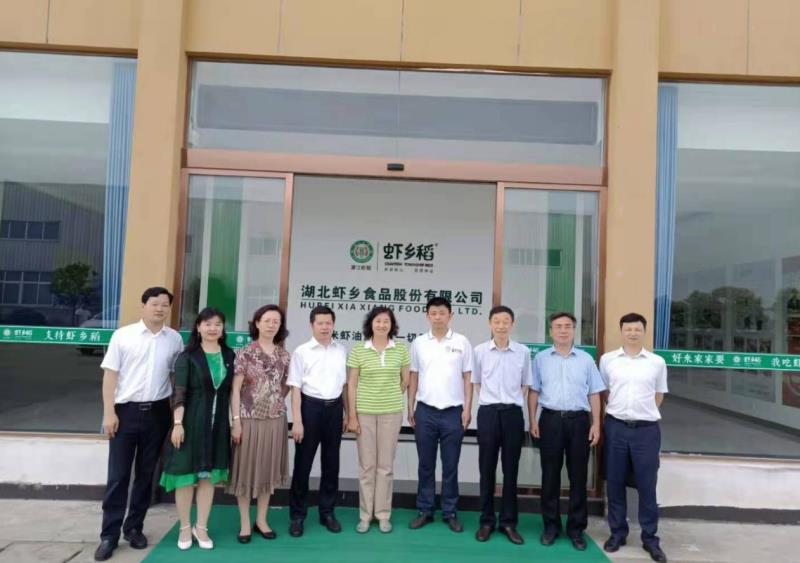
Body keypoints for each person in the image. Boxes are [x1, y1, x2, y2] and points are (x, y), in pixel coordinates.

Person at [94, 287, 183, 562]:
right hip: (125, 412)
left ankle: (134, 528)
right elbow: (110, 376)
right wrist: (109, 413)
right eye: (154, 303)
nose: (160, 309)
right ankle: (109, 535)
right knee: (118, 475)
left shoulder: (174, 339)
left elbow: (175, 379)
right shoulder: (123, 336)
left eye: (165, 305)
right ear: (143, 305)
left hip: (158, 413)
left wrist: (175, 417)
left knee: (146, 475)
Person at [159, 307, 235, 551]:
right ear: (199, 327)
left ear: (223, 329)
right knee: (184, 477)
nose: (213, 328)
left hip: (217, 427)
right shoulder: (188, 357)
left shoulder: (229, 355)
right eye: (208, 324)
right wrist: (177, 424)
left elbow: (231, 392)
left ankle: (201, 527)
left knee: (208, 479)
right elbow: (179, 392)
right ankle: (184, 527)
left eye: (218, 324)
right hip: (191, 425)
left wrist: (235, 421)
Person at [528, 311, 605, 551]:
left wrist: (596, 424)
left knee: (578, 476)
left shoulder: (586, 360)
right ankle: (550, 527)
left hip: (579, 422)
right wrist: (532, 420)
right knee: (550, 476)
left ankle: (576, 529)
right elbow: (534, 391)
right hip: (550, 420)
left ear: (574, 330)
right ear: (550, 331)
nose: (563, 330)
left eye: (567, 326)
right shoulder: (541, 359)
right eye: (558, 326)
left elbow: (595, 392)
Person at [600, 313, 668, 563]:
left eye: (637, 329)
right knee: (615, 482)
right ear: (621, 331)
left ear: (644, 331)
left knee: (647, 485)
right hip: (616, 427)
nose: (632, 333)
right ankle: (618, 533)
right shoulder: (608, 360)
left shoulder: (656, 362)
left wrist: (642, 414)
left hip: (646, 430)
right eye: (628, 329)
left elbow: (659, 394)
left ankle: (650, 538)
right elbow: (604, 391)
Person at [407, 297, 473, 533]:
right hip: (425, 411)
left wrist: (467, 408)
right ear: (427, 316)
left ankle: (450, 511)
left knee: (450, 465)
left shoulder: (462, 342)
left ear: (450, 315)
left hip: (453, 412)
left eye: (442, 313)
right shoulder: (419, 343)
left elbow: (468, 377)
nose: (437, 317)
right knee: (425, 464)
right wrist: (410, 406)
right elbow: (414, 375)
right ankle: (425, 509)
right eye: (433, 313)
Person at [227, 304, 291, 543]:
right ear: (257, 323)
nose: (271, 325)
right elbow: (235, 390)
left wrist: (274, 402)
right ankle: (245, 522)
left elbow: (285, 386)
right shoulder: (245, 352)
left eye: (276, 321)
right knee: (245, 470)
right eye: (267, 320)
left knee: (267, 470)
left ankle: (262, 520)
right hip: (248, 420)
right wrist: (236, 421)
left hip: (275, 420)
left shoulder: (284, 355)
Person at [346, 306, 410, 534]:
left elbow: (405, 380)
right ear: (370, 324)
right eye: (378, 321)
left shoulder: (400, 349)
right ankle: (365, 515)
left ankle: (383, 514)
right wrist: (352, 415)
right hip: (364, 413)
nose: (382, 325)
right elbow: (352, 384)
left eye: (386, 321)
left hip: (391, 413)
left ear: (392, 325)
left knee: (385, 466)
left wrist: (388, 396)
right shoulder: (358, 350)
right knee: (367, 466)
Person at [287, 305, 348, 537]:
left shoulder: (341, 350)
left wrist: (347, 414)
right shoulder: (302, 352)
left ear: (333, 324)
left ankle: (327, 512)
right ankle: (297, 516)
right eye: (320, 323)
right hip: (309, 409)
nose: (325, 327)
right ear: (312, 325)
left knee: (331, 464)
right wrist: (297, 421)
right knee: (303, 465)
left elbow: (344, 386)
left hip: (335, 409)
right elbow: (295, 389)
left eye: (328, 323)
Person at [473, 305, 532, 545]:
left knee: (511, 469)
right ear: (490, 324)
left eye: (506, 321)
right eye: (496, 321)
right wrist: (491, 401)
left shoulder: (523, 352)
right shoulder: (479, 351)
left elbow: (526, 384)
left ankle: (508, 522)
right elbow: (476, 382)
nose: (501, 326)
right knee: (486, 469)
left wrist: (510, 401)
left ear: (512, 324)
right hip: (488, 413)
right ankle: (486, 521)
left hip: (512, 414)